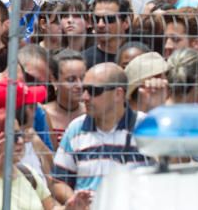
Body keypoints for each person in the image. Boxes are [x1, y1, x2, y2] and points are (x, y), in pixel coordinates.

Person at [50, 63, 149, 200]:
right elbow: (58, 182)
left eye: (94, 91)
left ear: (118, 94)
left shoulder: (146, 127)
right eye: (85, 89)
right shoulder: (76, 129)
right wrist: (77, 203)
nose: (84, 97)